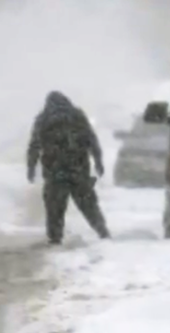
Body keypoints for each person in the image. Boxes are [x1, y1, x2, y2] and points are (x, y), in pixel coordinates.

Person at [27, 91, 110, 245]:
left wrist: (31, 167)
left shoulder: (44, 118)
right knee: (88, 204)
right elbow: (91, 139)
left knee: (55, 207)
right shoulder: (77, 116)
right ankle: (102, 231)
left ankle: (55, 237)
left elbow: (35, 145)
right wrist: (98, 160)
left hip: (54, 171)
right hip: (78, 168)